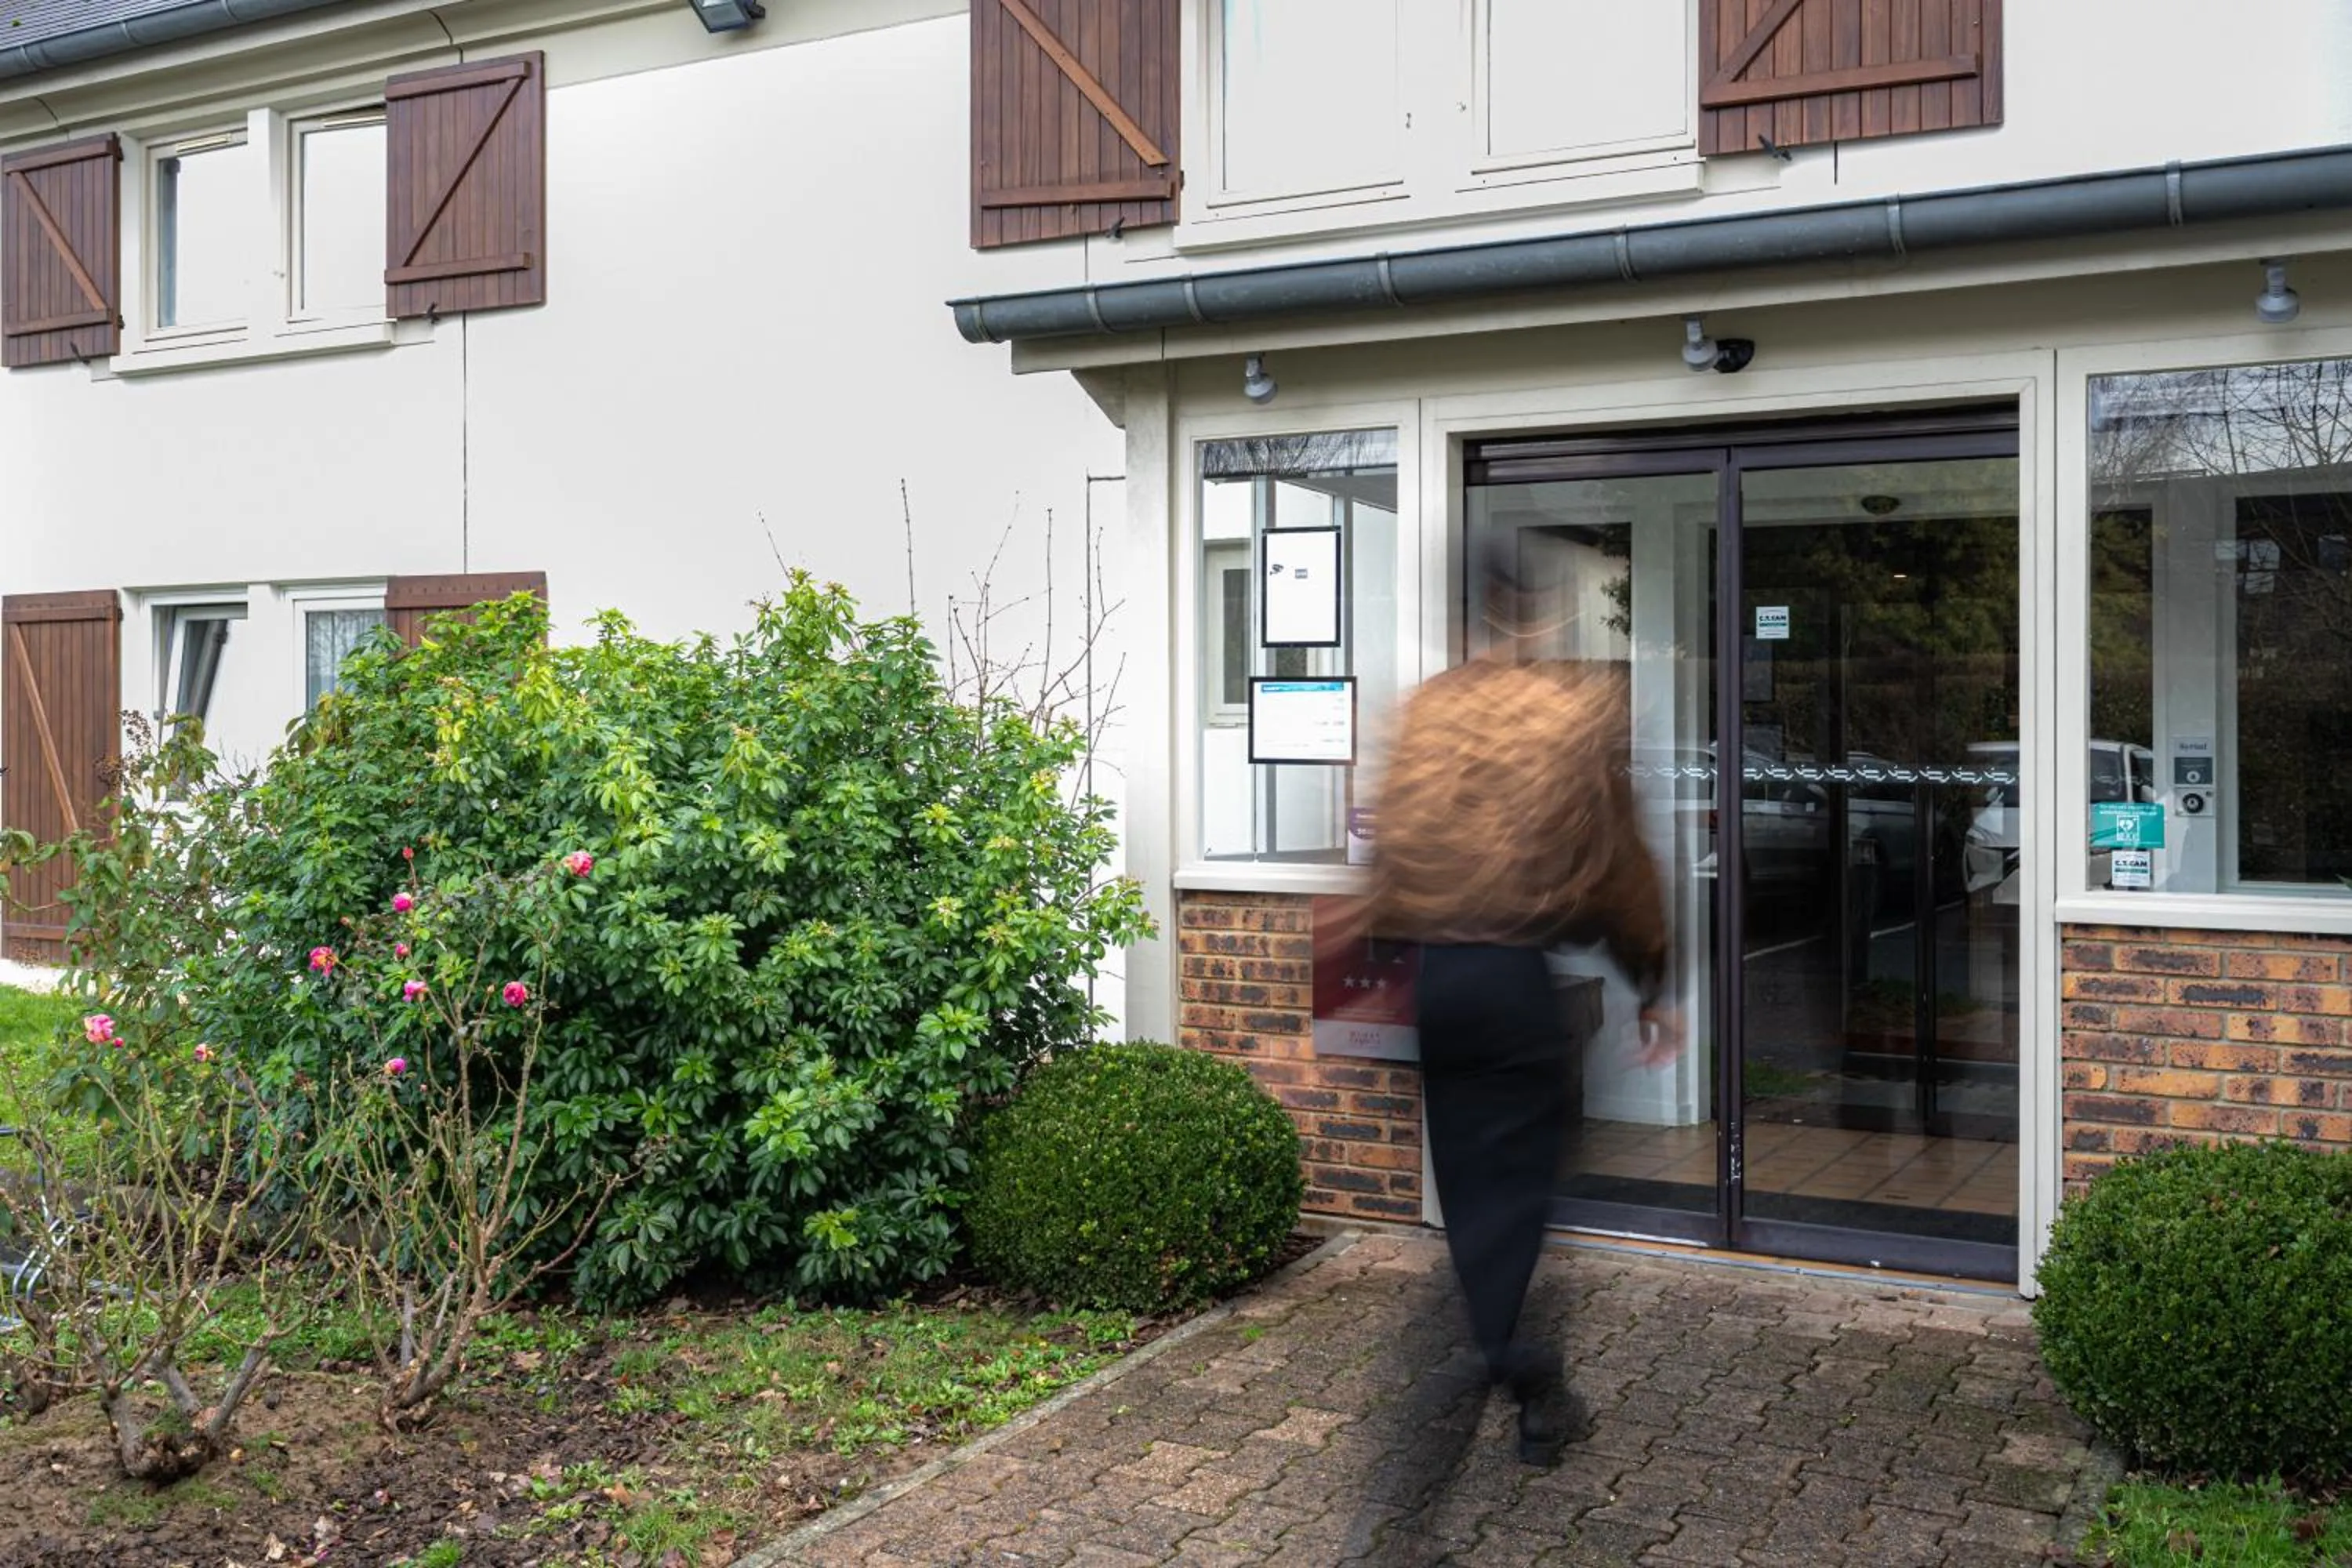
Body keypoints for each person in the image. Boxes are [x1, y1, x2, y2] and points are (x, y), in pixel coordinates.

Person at [1361, 543, 1682, 1467]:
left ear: (1464, 621)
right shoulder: (1570, 711)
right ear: (1531, 615)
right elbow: (1620, 862)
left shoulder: (1424, 711)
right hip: (1512, 982)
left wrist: (1395, 957)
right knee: (1526, 1188)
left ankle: (1537, 1391)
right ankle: (1504, 1357)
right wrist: (1653, 979)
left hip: (1439, 984)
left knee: (1473, 1194)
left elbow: (1384, 848)